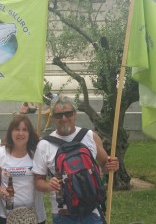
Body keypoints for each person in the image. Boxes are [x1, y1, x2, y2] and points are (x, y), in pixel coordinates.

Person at [32, 96, 120, 224]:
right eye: (58, 115)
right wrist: (48, 185)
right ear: (52, 116)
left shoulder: (90, 137)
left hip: (92, 212)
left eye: (68, 113)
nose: (63, 119)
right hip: (63, 215)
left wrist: (113, 165)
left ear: (75, 114)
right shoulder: (44, 145)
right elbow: (37, 182)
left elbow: (105, 166)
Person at [0, 115, 46, 224]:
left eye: (25, 130)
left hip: (34, 215)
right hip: (8, 215)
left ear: (29, 133)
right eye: (17, 129)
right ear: (11, 132)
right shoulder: (1, 153)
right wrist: (1, 192)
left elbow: (42, 181)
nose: (21, 133)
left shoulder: (37, 153)